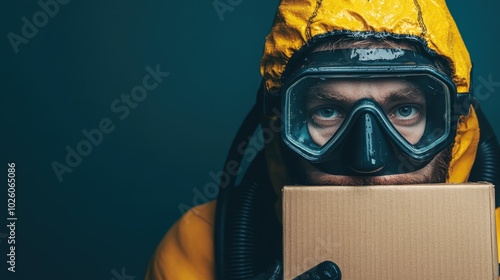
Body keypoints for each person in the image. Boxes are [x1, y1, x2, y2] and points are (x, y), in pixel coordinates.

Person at [144, 0, 500, 279]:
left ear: (455, 122)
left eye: (405, 110)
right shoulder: (195, 246)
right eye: (328, 112)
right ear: (280, 122)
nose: (368, 161)